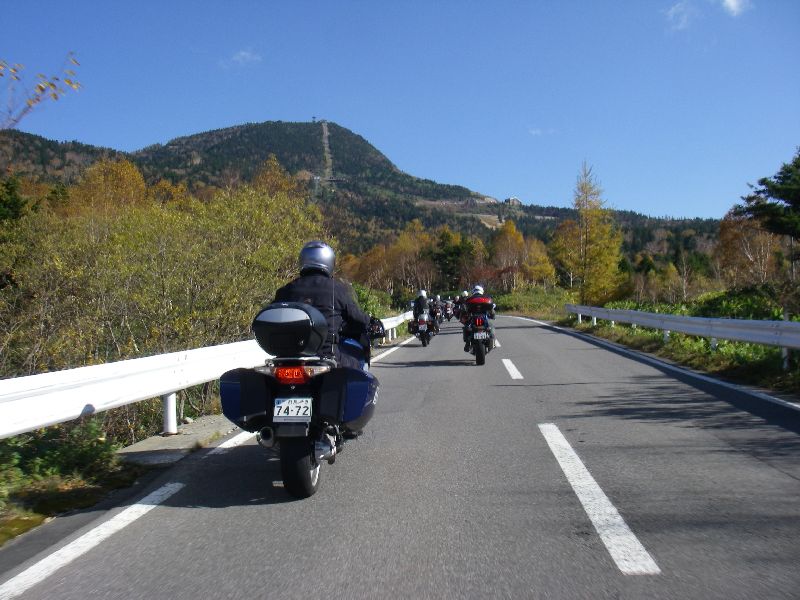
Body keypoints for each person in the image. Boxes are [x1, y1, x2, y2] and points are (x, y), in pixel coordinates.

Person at [273, 241, 371, 369]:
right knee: (359, 362)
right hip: (326, 357)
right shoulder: (337, 289)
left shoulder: (285, 290)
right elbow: (358, 319)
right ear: (329, 262)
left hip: (287, 359)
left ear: (303, 260)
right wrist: (369, 321)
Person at [462, 285, 496, 352]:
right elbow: (491, 310)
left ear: (473, 291)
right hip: (484, 320)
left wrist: (465, 317)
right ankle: (492, 343)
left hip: (474, 320)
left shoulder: (470, 299)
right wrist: (492, 316)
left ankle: (467, 344)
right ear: (482, 291)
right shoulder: (486, 298)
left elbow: (465, 310)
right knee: (491, 328)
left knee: (467, 327)